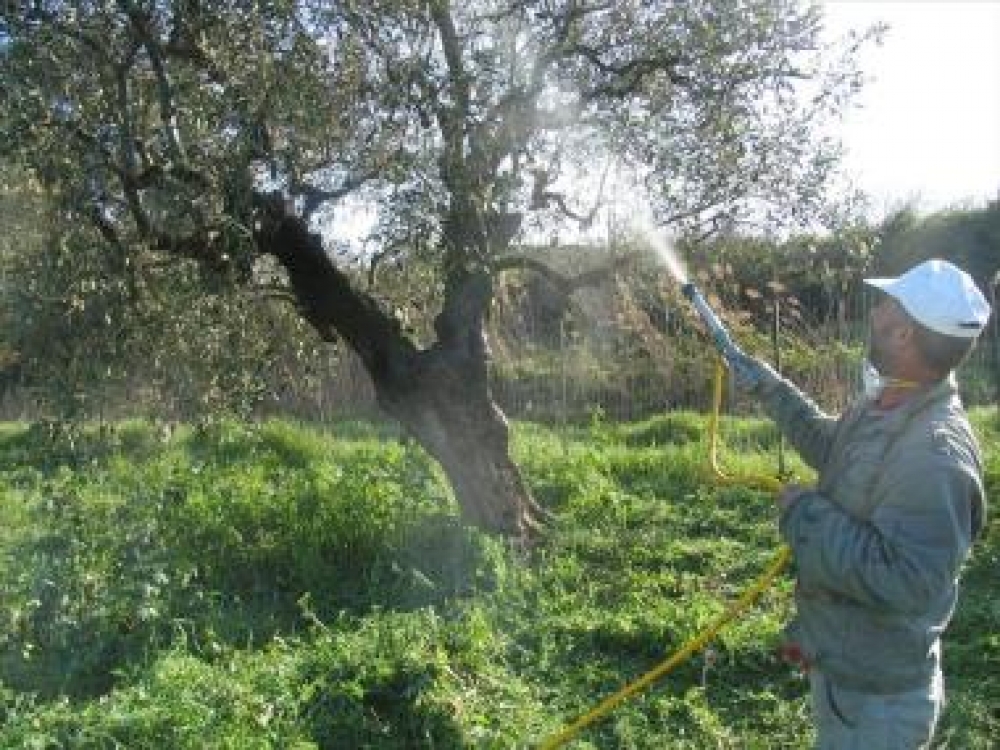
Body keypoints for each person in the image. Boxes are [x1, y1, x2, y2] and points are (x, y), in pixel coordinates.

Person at [727, 258, 989, 749]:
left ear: (905, 334)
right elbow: (837, 449)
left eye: (886, 306)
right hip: (851, 672)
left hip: (879, 710)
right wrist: (767, 386)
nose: (875, 315)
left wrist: (805, 514)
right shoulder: (890, 402)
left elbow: (904, 579)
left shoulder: (935, 457)